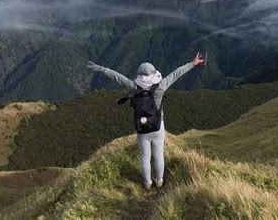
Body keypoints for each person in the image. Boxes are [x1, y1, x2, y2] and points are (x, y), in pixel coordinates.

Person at [87, 52, 204, 190]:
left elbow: (117, 76)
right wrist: (192, 64)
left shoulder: (133, 87)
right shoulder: (160, 86)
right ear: (153, 74)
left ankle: (147, 183)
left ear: (139, 75)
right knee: (159, 155)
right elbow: (176, 74)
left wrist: (100, 68)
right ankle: (159, 181)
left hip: (142, 128)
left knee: (145, 157)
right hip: (157, 127)